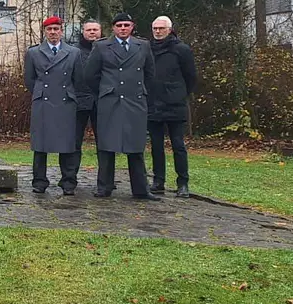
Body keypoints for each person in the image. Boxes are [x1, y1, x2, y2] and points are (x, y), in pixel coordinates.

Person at [81, 11, 159, 200]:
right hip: (110, 101)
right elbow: (90, 75)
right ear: (113, 28)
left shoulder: (143, 46)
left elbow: (150, 74)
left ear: (132, 27)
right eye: (119, 25)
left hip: (135, 101)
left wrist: (140, 91)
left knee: (136, 146)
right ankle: (104, 187)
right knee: (107, 146)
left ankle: (141, 189)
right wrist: (105, 90)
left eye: (126, 25)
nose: (123, 28)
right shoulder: (101, 46)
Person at [24, 16, 83, 195]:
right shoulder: (33, 53)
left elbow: (78, 79)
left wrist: (68, 95)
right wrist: (41, 92)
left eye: (56, 29)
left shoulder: (74, 52)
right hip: (43, 102)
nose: (53, 33)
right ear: (44, 32)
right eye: (49, 29)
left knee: (67, 145)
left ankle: (68, 182)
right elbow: (29, 79)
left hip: (66, 102)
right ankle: (39, 181)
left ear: (61, 31)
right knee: (40, 145)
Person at [147, 15, 199, 197]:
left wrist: (180, 94)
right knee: (156, 146)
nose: (158, 31)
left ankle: (183, 183)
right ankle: (158, 181)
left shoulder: (181, 49)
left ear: (169, 29)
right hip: (153, 103)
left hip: (175, 104)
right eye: (155, 28)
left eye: (161, 28)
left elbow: (191, 76)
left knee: (178, 145)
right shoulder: (147, 49)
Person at [74, 20, 101, 154]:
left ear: (100, 31)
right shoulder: (74, 51)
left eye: (95, 30)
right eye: (88, 30)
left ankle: (105, 169)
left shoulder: (108, 49)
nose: (92, 32)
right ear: (83, 32)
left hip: (101, 100)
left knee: (103, 142)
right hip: (78, 100)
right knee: (74, 141)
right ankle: (71, 169)